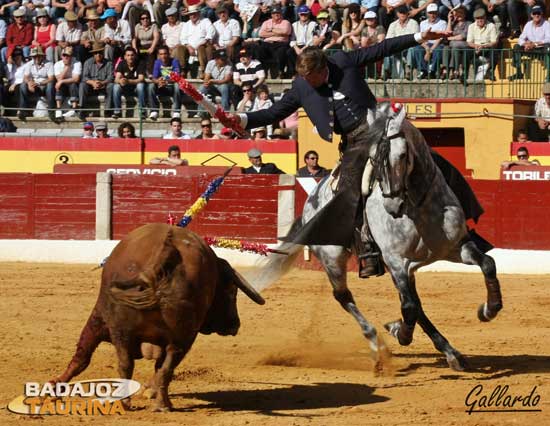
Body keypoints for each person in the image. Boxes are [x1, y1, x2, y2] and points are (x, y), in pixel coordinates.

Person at [228, 28, 487, 279]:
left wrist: (419, 37)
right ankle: (368, 250)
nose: (309, 84)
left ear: (322, 68)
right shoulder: (301, 86)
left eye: (312, 78)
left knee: (429, 161)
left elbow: (382, 48)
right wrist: (241, 119)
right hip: (354, 145)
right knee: (351, 192)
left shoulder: (341, 61)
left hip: (380, 128)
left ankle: (462, 228)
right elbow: (274, 113)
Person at [509, 5, 550, 81]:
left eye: (538, 13)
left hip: (541, 50)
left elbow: (548, 39)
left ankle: (549, 76)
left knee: (548, 47)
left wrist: (534, 44)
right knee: (516, 47)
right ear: (531, 15)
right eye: (535, 13)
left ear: (541, 14)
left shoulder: (546, 24)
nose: (536, 15)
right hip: (529, 49)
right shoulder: (528, 24)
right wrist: (526, 44)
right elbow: (521, 39)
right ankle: (518, 73)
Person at [18, 46, 55, 120]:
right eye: (34, 57)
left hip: (44, 85)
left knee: (50, 85)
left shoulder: (49, 64)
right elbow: (25, 77)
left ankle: (51, 111)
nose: (36, 58)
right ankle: (23, 110)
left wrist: (40, 83)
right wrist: (29, 83)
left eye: (38, 56)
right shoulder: (29, 64)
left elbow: (51, 78)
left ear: (42, 56)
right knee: (22, 85)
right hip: (34, 86)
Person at [79, 41, 114, 120]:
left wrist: (102, 83)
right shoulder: (87, 62)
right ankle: (82, 109)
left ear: (103, 52)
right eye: (96, 53)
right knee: (82, 85)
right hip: (91, 87)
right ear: (93, 54)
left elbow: (111, 77)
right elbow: (84, 77)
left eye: (100, 52)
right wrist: (93, 83)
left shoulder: (109, 63)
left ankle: (108, 110)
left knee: (111, 85)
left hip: (104, 86)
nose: (98, 55)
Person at [179, 4, 215, 79]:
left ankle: (204, 71)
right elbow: (182, 38)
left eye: (194, 14)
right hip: (190, 48)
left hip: (203, 45)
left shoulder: (205, 21)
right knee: (179, 48)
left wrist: (204, 42)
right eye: (190, 14)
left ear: (198, 13)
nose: (192, 16)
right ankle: (182, 70)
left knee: (201, 48)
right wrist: (188, 46)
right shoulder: (186, 24)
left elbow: (211, 32)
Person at [383, 5, 418, 80]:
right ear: (397, 14)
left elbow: (414, 38)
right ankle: (387, 70)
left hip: (408, 46)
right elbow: (388, 39)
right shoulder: (393, 25)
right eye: (400, 12)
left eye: (404, 12)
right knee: (387, 48)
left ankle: (408, 70)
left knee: (412, 48)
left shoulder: (413, 23)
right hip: (396, 47)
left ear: (407, 13)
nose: (402, 14)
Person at [148, 45, 183, 120]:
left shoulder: (174, 61)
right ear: (158, 55)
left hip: (172, 87)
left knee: (177, 85)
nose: (163, 56)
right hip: (161, 87)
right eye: (161, 54)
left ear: (169, 54)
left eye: (165, 54)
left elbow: (177, 77)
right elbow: (154, 78)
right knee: (151, 86)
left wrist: (166, 81)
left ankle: (176, 111)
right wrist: (158, 81)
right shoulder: (157, 62)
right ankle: (154, 111)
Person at [413, 3, 446, 80]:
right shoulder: (422, 23)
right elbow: (421, 37)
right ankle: (423, 70)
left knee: (438, 49)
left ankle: (433, 71)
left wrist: (430, 50)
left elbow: (440, 38)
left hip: (437, 44)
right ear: (427, 13)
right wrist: (427, 48)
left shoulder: (442, 23)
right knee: (417, 48)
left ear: (437, 13)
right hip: (426, 43)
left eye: (434, 13)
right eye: (430, 13)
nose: (432, 15)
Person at [112, 46, 146, 119]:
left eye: (132, 55)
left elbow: (141, 79)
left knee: (141, 85)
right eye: (128, 55)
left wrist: (128, 81)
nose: (130, 57)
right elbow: (116, 79)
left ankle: (142, 111)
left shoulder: (140, 63)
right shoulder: (121, 63)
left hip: (135, 88)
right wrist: (121, 81)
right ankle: (117, 111)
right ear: (125, 57)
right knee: (116, 86)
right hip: (125, 87)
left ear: (135, 56)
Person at [257, 6, 292, 78]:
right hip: (267, 43)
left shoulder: (286, 22)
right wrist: (277, 32)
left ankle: (280, 71)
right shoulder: (266, 22)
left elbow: (285, 32)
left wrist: (270, 30)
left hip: (281, 43)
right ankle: (262, 71)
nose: (276, 14)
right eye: (274, 13)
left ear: (281, 14)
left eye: (278, 13)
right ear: (271, 14)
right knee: (259, 50)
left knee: (281, 52)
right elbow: (261, 34)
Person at [466, 8, 498, 81]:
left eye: (481, 18)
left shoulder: (491, 25)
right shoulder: (471, 26)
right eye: (477, 18)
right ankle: (465, 73)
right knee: (466, 50)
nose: (479, 20)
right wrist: (476, 46)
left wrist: (484, 46)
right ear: (474, 19)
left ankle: (490, 71)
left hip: (487, 48)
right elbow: (469, 42)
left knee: (494, 51)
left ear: (485, 17)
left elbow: (494, 42)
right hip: (475, 48)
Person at [441, 6, 470, 81]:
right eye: (457, 13)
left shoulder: (468, 24)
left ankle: (455, 70)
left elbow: (463, 36)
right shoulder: (454, 24)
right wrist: (450, 20)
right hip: (453, 45)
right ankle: (445, 70)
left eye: (461, 13)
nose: (458, 15)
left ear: (465, 14)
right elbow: (447, 33)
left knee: (454, 46)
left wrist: (449, 39)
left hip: (463, 45)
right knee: (446, 48)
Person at [54, 46, 82, 119]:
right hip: (63, 86)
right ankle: (58, 109)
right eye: (64, 55)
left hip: (73, 85)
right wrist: (66, 67)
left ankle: (74, 109)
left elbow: (76, 79)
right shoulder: (57, 64)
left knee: (73, 84)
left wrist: (62, 81)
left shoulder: (77, 63)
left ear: (71, 57)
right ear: (61, 56)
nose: (66, 57)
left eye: (68, 55)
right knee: (58, 85)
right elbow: (58, 79)